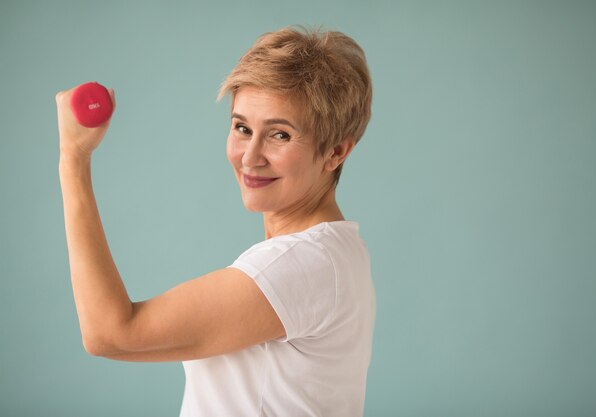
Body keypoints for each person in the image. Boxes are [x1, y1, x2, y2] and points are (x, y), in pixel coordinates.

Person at [56, 26, 376, 417]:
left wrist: (74, 158)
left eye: (279, 134)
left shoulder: (300, 266)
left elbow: (110, 333)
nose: (250, 156)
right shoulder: (335, 254)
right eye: (242, 128)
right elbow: (127, 345)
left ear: (336, 152)